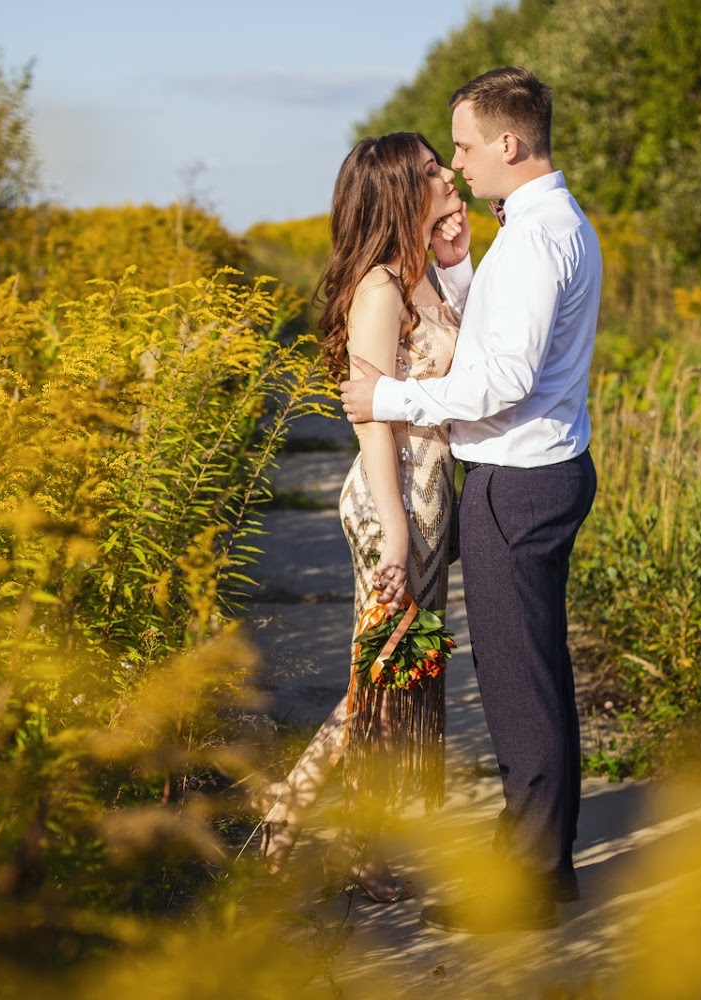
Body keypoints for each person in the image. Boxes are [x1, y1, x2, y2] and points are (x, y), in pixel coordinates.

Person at [339, 66, 601, 932]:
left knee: (519, 687)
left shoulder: (532, 239)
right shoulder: (546, 225)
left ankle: (525, 886)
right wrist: (455, 270)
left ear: (508, 144)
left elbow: (500, 379)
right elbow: (487, 335)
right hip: (542, 475)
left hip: (517, 489)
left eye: (462, 144)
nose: (456, 163)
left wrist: (391, 401)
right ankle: (541, 859)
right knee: (541, 674)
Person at [255, 131, 464, 902]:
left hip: (432, 498)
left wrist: (453, 257)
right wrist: (399, 531)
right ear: (403, 193)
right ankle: (311, 813)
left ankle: (355, 834)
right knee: (377, 682)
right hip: (392, 504)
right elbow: (370, 419)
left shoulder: (423, 279)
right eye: (434, 172)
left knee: (401, 679)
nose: (449, 176)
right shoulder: (379, 288)